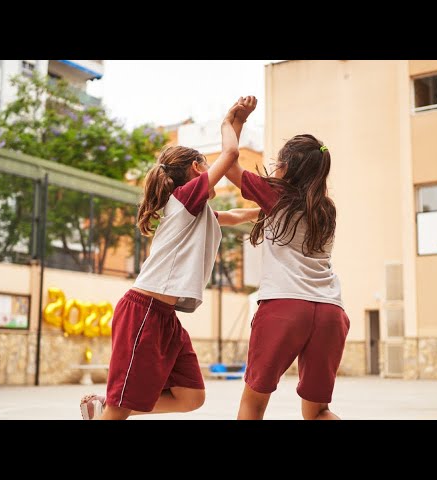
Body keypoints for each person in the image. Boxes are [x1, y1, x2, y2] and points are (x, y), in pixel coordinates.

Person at [80, 96, 259, 420]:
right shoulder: (185, 198)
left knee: (191, 396)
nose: (212, 170)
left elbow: (235, 215)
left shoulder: (196, 211)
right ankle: (110, 410)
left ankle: (107, 408)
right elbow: (231, 154)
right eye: (207, 164)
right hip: (143, 312)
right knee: (119, 410)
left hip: (164, 317)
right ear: (196, 168)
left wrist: (276, 209)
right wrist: (230, 123)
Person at [224, 132, 350, 420]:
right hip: (331, 310)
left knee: (253, 404)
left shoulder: (277, 195)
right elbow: (263, 215)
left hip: (285, 307)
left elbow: (230, 163)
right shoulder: (326, 209)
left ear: (288, 167)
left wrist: (233, 123)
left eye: (278, 162)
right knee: (318, 412)